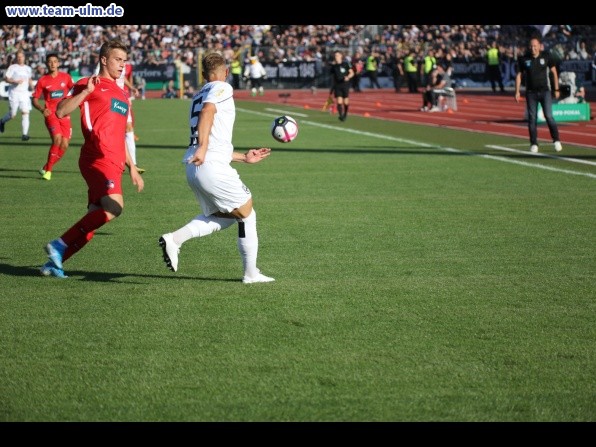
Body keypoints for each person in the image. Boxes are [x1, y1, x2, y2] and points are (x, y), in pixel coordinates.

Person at [159, 51, 274, 284]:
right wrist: (203, 147)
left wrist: (244, 157)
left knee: (229, 216)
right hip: (207, 162)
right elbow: (208, 112)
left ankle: (175, 239)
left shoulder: (198, 94)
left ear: (202, 75)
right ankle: (251, 274)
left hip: (196, 166)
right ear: (227, 73)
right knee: (247, 214)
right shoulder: (223, 88)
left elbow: (212, 136)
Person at [41, 39, 144, 278]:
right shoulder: (89, 84)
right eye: (118, 60)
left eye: (125, 61)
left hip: (115, 159)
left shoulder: (121, 93)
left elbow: (119, 134)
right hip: (98, 156)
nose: (122, 65)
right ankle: (59, 244)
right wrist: (86, 92)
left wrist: (133, 167)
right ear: (104, 59)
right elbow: (61, 111)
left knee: (94, 218)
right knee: (115, 207)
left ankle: (55, 264)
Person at [515, 36, 562, 154]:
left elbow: (554, 72)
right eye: (531, 46)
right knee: (532, 119)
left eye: (535, 46)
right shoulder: (523, 59)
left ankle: (556, 140)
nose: (533, 48)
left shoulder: (546, 56)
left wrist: (556, 89)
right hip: (531, 93)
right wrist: (517, 91)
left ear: (539, 46)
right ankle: (534, 143)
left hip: (545, 91)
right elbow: (519, 75)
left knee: (549, 116)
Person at [31, 53, 74, 181]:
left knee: (64, 145)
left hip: (65, 114)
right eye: (50, 62)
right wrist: (42, 109)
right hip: (51, 114)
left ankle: (45, 167)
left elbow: (74, 91)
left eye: (55, 61)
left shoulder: (66, 77)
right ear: (46, 64)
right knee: (57, 140)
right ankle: (48, 172)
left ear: (58, 63)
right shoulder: (43, 80)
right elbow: (35, 99)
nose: (52, 64)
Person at [0, 50, 34, 140]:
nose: (20, 58)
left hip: (24, 94)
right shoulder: (13, 67)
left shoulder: (28, 68)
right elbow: (6, 79)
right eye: (18, 57)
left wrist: (33, 88)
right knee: (12, 115)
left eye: (21, 56)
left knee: (25, 113)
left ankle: (25, 134)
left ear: (24, 57)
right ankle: (2, 121)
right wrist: (14, 81)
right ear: (16, 58)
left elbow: (29, 79)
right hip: (14, 93)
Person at [329, 50, 354, 122]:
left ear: (341, 56)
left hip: (345, 85)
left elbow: (352, 73)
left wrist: (348, 77)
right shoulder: (334, 66)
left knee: (346, 102)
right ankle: (341, 115)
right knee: (339, 102)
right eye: (335, 56)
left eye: (337, 55)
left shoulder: (345, 64)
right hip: (337, 85)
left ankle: (345, 114)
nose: (336, 57)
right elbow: (332, 76)